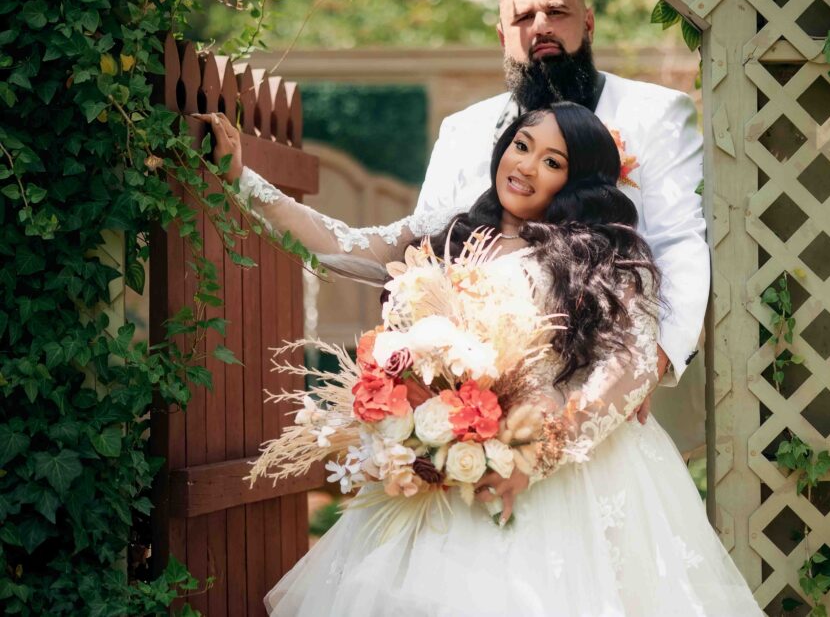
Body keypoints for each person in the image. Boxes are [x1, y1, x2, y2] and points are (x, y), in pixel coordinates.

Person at [195, 104, 761, 617]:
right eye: (522, 145)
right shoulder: (451, 232)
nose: (526, 165)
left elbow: (629, 367)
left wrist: (534, 453)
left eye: (552, 161)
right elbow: (340, 243)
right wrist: (242, 179)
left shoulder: (601, 257)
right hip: (444, 464)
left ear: (578, 180)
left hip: (564, 473)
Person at [418, 0, 709, 426]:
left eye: (556, 12)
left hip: (621, 381)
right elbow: (429, 255)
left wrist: (647, 367)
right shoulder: (462, 131)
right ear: (502, 37)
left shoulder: (656, 113)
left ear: (588, 23)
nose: (541, 27)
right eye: (522, 18)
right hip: (485, 394)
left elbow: (679, 241)